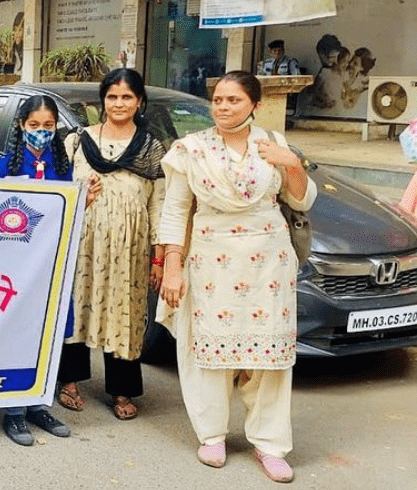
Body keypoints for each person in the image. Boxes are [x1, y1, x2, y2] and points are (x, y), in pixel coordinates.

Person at [158, 71, 314, 483]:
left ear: (254, 106)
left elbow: (301, 199)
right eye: (218, 100)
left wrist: (293, 165)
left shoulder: (275, 146)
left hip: (269, 262)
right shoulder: (190, 149)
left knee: (271, 356)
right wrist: (172, 266)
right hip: (211, 258)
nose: (223, 107)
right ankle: (211, 434)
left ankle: (270, 443)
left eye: (234, 100)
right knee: (207, 347)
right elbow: (174, 211)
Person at [59, 68, 165, 421]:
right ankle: (68, 381)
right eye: (112, 96)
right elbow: (59, 192)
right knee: (76, 306)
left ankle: (123, 389)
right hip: (82, 244)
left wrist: (158, 256)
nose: (119, 103)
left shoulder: (151, 149)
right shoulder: (76, 142)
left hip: (129, 249)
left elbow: (158, 204)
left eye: (127, 97)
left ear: (139, 101)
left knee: (125, 312)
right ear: (102, 100)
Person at [0, 95, 75, 445]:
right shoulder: (6, 165)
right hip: (17, 268)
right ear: (21, 126)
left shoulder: (64, 164)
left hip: (53, 265)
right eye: (34, 126)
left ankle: (39, 404)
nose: (41, 132)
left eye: (48, 126)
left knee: (50, 333)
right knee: (18, 334)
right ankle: (14, 411)